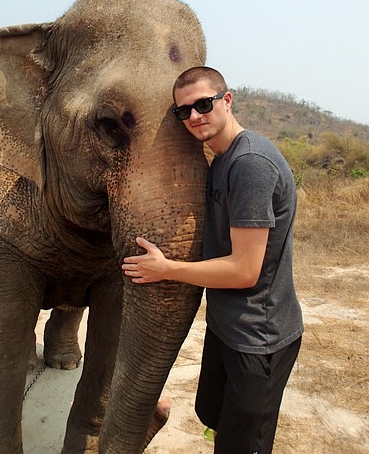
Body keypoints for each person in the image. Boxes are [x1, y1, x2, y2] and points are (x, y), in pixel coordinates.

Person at [122, 66, 303, 454]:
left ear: (227, 100)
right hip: (229, 327)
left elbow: (244, 269)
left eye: (203, 104)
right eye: (182, 111)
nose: (194, 117)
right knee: (216, 418)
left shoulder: (250, 164)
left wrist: (167, 270)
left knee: (244, 443)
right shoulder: (220, 160)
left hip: (260, 336)